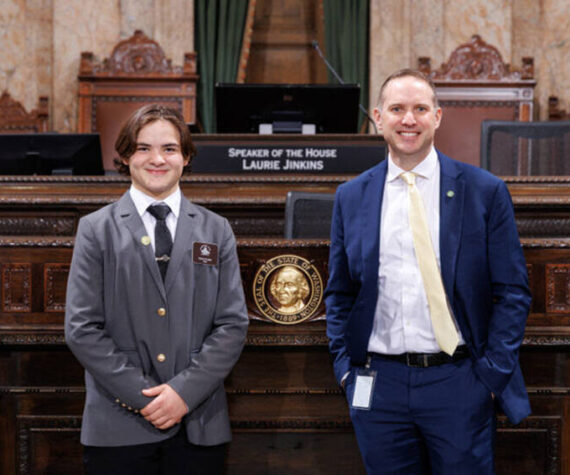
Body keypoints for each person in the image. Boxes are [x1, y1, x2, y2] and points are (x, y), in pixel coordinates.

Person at [325, 69, 531, 474]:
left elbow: (513, 292)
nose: (409, 120)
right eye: (398, 109)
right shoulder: (351, 197)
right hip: (378, 384)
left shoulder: (483, 191)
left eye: (420, 109)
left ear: (437, 117)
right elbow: (339, 293)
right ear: (378, 118)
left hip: (458, 381)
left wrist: (488, 378)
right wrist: (346, 370)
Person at [65, 104, 249, 475]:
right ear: (126, 156)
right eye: (144, 148)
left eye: (168, 148)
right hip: (118, 425)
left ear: (185, 156)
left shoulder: (216, 230)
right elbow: (82, 329)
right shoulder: (95, 229)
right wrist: (145, 398)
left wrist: (183, 393)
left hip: (198, 423)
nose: (157, 159)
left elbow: (232, 325)